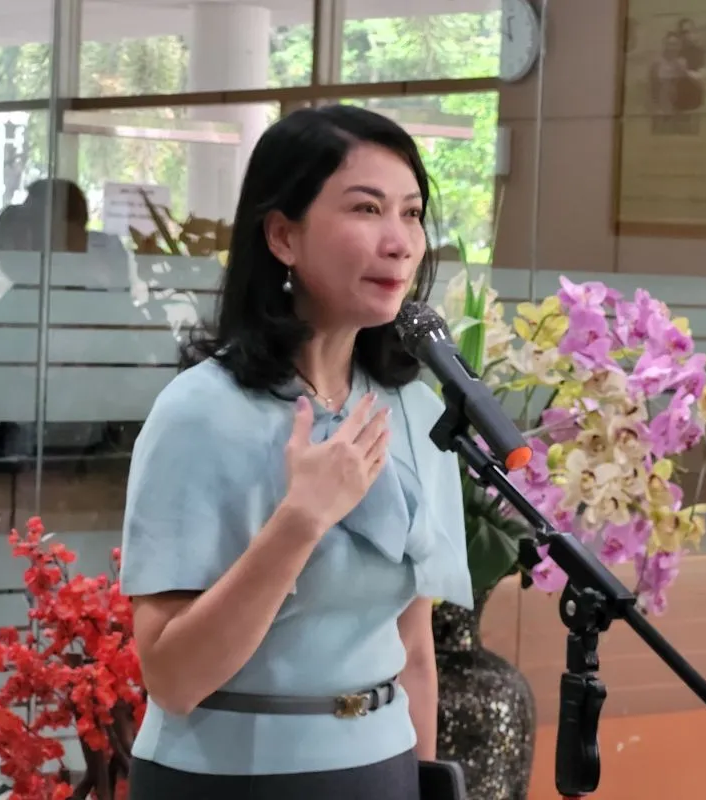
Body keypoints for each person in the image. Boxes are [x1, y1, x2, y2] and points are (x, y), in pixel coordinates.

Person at [119, 104, 473, 800]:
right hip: (229, 778)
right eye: (367, 209)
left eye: (411, 213)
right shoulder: (200, 412)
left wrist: (422, 774)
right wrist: (301, 520)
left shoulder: (416, 411)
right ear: (283, 235)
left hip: (382, 767)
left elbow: (414, 649)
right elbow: (172, 679)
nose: (399, 242)